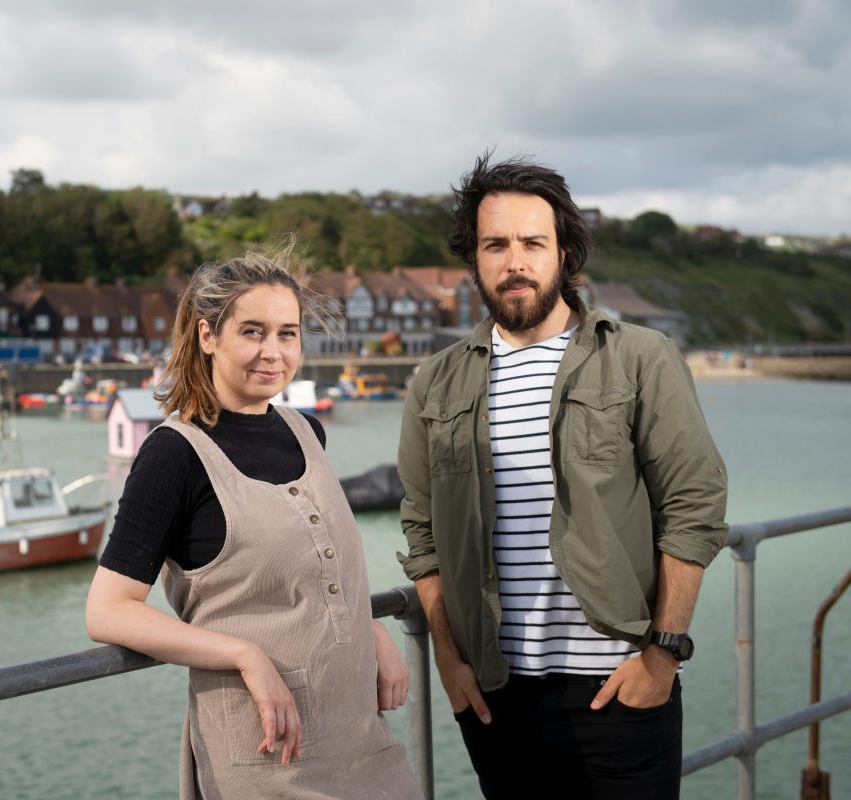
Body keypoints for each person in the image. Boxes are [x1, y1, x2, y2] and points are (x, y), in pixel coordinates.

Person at [396, 154, 729, 799]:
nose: (514, 261)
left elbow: (693, 506)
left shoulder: (639, 357)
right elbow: (423, 528)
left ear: (564, 254)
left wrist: (662, 655)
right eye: (495, 244)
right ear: (474, 260)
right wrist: (447, 657)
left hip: (620, 686)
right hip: (495, 695)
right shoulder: (436, 381)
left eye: (532, 243)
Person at [86, 247, 422, 800]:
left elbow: (315, 569)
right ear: (207, 335)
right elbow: (108, 610)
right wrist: (245, 655)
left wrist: (370, 625)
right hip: (266, 756)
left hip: (363, 739)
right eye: (252, 332)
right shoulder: (174, 454)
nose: (273, 352)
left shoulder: (306, 431)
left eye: (287, 334)